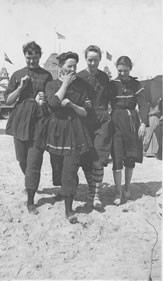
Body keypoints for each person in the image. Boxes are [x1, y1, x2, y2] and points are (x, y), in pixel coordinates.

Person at [37, 51, 94, 223]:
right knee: (59, 167)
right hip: (56, 131)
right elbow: (53, 104)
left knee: (70, 168)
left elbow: (86, 112)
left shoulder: (83, 86)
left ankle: (69, 209)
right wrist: (66, 84)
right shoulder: (52, 85)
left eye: (75, 66)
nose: (73, 69)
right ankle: (64, 191)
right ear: (61, 66)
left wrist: (72, 105)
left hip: (75, 130)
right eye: (69, 66)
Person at [4, 41, 54, 214]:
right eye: (28, 57)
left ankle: (31, 200)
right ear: (24, 56)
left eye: (35, 57)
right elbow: (8, 101)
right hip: (19, 119)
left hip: (39, 120)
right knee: (22, 160)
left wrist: (44, 97)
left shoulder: (46, 76)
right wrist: (20, 88)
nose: (32, 61)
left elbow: (51, 98)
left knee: (34, 161)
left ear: (39, 56)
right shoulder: (17, 74)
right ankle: (29, 182)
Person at [107, 56, 149, 205]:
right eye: (119, 71)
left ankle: (127, 187)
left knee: (130, 158)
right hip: (116, 122)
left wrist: (143, 123)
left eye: (125, 71)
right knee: (117, 157)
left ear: (130, 69)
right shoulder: (112, 84)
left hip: (132, 123)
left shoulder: (136, 84)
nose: (122, 73)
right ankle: (118, 191)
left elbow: (144, 104)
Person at [76, 45, 112, 208]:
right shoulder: (79, 77)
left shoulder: (104, 77)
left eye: (95, 60)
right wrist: (82, 102)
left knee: (98, 158)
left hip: (103, 119)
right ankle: (92, 189)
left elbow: (111, 98)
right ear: (85, 59)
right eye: (90, 60)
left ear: (100, 60)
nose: (92, 63)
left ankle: (96, 195)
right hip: (84, 121)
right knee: (86, 159)